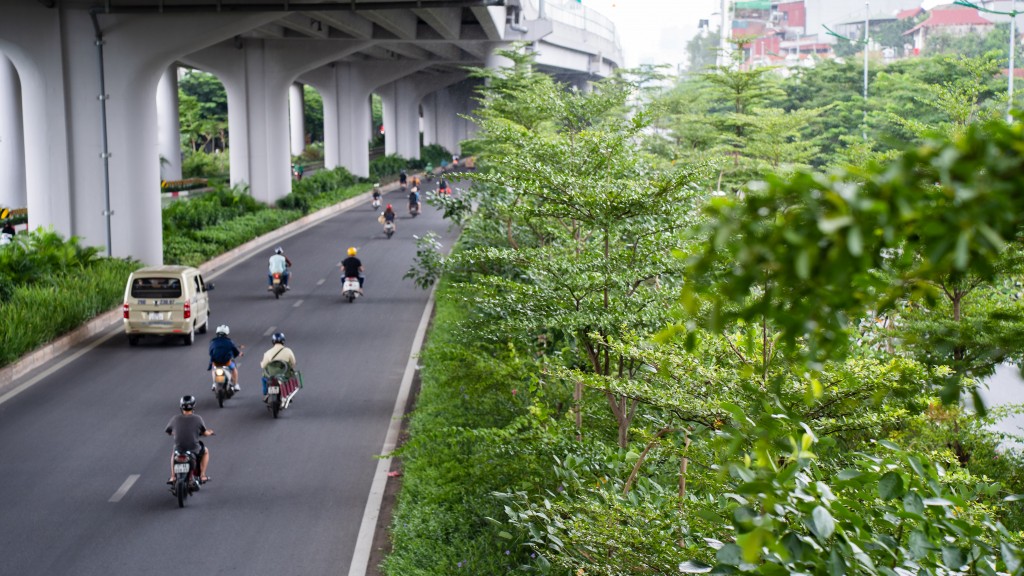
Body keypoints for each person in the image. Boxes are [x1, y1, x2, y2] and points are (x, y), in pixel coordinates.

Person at [166, 395, 214, 484]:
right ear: (193, 406)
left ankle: (173, 477)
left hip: (179, 448)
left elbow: (168, 431)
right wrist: (210, 433)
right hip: (193, 448)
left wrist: (175, 433)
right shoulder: (198, 418)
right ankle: (202, 475)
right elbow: (204, 433)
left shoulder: (175, 418)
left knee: (174, 453)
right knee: (206, 451)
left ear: (181, 406)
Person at [260, 332, 297, 400]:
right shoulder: (288, 351)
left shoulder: (268, 352)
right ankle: (288, 393)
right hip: (284, 374)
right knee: (292, 376)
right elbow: (293, 363)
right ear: (283, 341)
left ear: (273, 341)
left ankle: (266, 393)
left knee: (263, 377)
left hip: (271, 375)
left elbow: (263, 366)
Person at [208, 325, 243, 391]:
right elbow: (235, 350)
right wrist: (239, 354)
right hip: (226, 362)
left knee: (213, 369)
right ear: (226, 333)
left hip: (216, 362)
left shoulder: (213, 342)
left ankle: (214, 383)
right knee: (234, 369)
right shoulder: (229, 342)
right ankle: (235, 385)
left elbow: (210, 352)